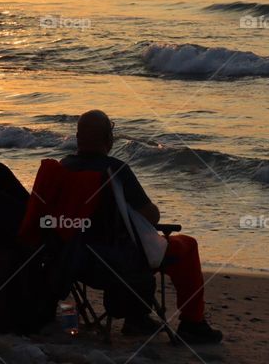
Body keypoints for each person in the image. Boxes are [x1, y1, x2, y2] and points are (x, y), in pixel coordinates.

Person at [61, 109, 223, 344]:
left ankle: (137, 317)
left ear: (78, 138)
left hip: (76, 262)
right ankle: (192, 324)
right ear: (109, 139)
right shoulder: (114, 170)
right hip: (119, 264)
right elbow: (151, 216)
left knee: (131, 243)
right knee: (187, 246)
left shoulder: (62, 168)